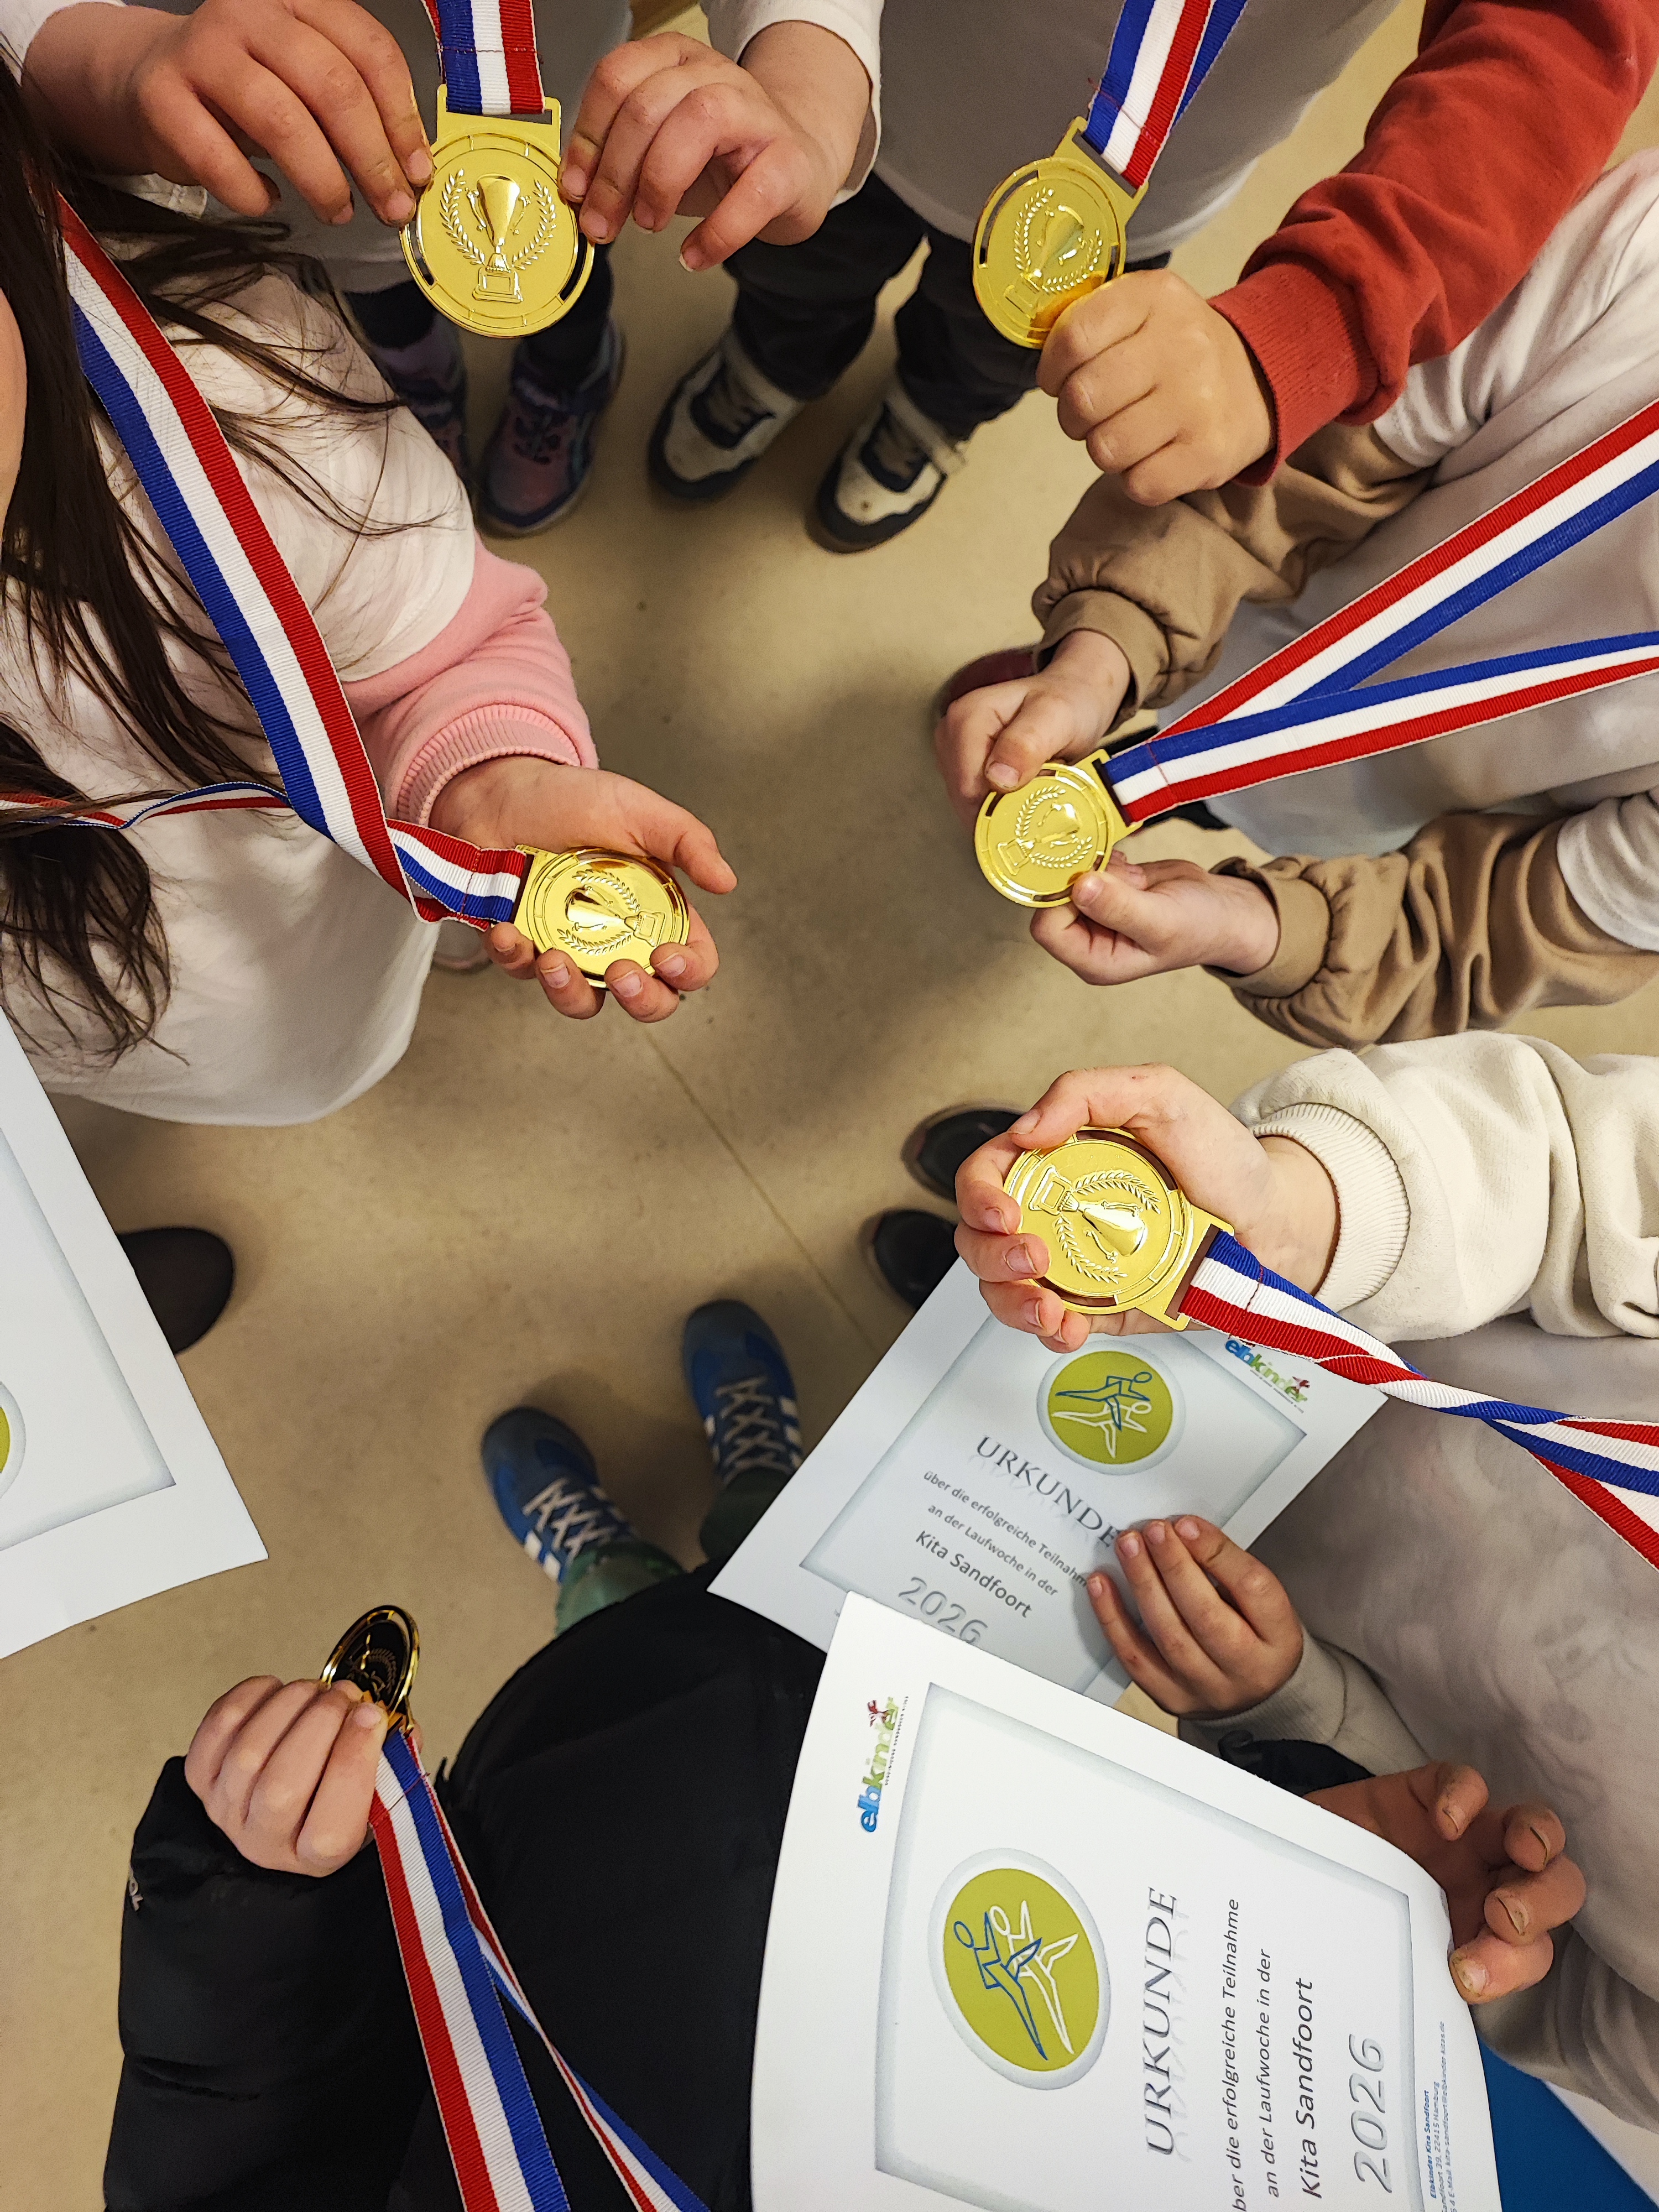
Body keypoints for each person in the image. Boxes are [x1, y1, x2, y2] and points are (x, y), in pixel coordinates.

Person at [102, 1288, 1583, 2208]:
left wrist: (252, 1910)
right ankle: (761, 1483)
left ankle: (597, 1562)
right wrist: (1323, 1876)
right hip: (913, 1754)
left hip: (569, 1840)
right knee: (784, 1585)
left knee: (622, 1630)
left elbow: (224, 2150)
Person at [0, 66, 733, 1136]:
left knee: (327, 1045)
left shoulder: (248, 416)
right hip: (85, 1050)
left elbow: (445, 658)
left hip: (316, 940)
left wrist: (483, 787)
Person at [952, 1036, 1659, 2121]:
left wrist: (1299, 1706)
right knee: (1038, 1260)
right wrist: (1303, 1214)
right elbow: (1587, 1162)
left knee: (1000, 1417)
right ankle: (1018, 1260)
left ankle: (962, 1316)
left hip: (1219, 1585)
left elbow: (1558, 2006)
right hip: (1328, 1286)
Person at [936, 150, 1659, 1050]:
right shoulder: (1637, 256)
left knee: (1205, 795)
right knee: (1079, 702)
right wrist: (1105, 642)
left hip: (1373, 810)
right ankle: (1107, 703)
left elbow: (1506, 929)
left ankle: (1168, 783)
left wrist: (1261, 927)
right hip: (1237, 600)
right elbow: (1301, 456)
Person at [649, 0, 1657, 551]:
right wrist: (801, 36)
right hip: (863, 76)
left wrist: (1327, 314)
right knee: (799, 267)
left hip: (1148, 179)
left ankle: (930, 417)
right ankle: (773, 364)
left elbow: (1559, 38)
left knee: (1004, 351)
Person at [14, 0, 880, 532]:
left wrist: (806, 86)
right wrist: (98, 50)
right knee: (373, 290)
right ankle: (421, 391)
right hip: (260, 116)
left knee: (558, 269)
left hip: (554, 101)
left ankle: (568, 374)